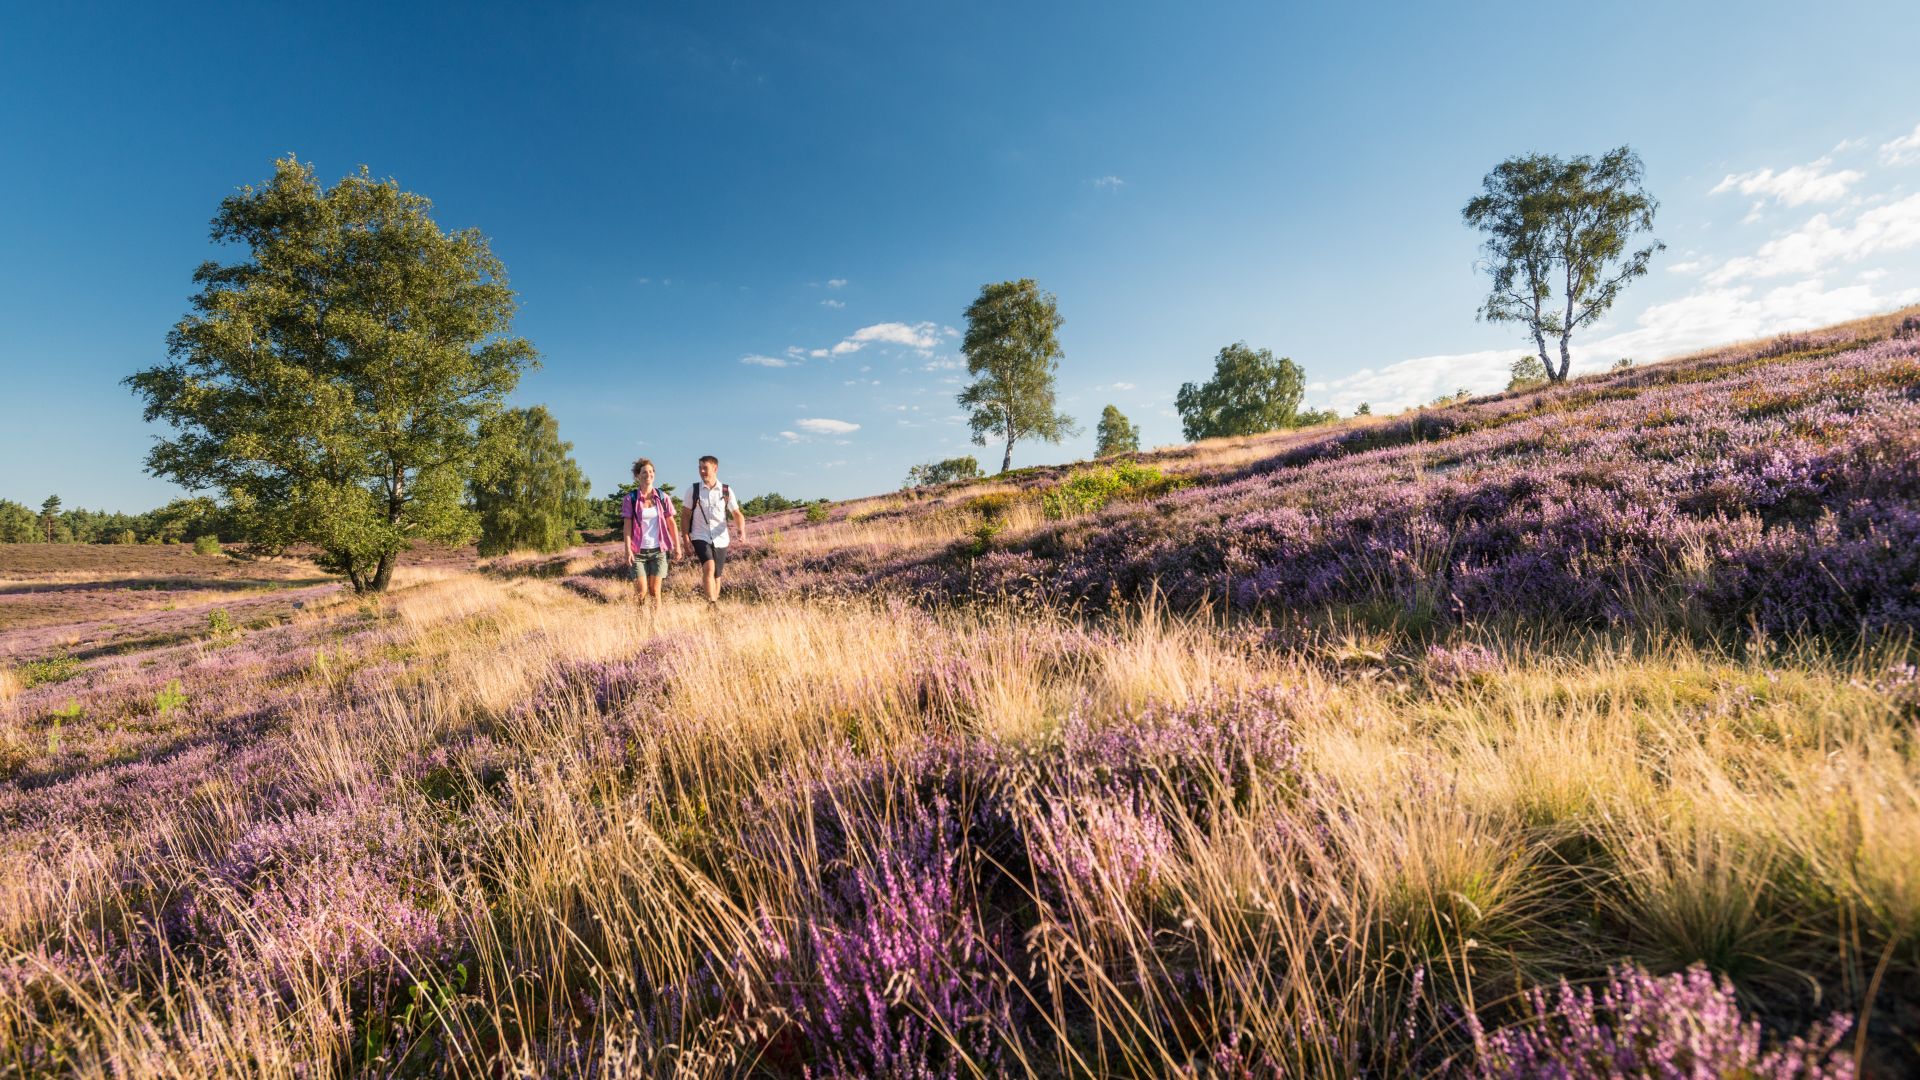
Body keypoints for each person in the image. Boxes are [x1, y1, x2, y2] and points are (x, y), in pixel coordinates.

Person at [619, 458, 682, 610]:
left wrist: (677, 547)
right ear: (638, 476)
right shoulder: (630, 499)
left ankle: (655, 627)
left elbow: (671, 523)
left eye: (651, 471)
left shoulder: (662, 497)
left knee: (655, 591)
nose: (648, 474)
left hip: (658, 551)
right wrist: (627, 550)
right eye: (644, 472)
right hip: (638, 552)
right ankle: (640, 623)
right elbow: (627, 526)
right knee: (641, 591)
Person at [685, 454, 745, 606]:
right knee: (709, 567)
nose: (702, 471)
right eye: (700, 468)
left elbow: (736, 513)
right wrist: (685, 538)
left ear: (715, 468)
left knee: (717, 575)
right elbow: (685, 515)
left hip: (721, 538)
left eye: (705, 468)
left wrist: (741, 530)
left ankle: (714, 606)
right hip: (699, 535)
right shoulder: (693, 490)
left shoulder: (726, 491)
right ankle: (712, 602)